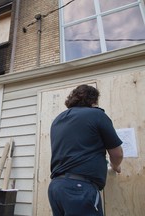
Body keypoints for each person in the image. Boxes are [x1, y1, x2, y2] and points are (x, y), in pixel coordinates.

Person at [48, 84, 123, 216]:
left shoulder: (58, 120)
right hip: (79, 190)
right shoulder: (97, 114)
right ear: (93, 101)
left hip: (56, 188)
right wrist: (115, 166)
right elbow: (117, 153)